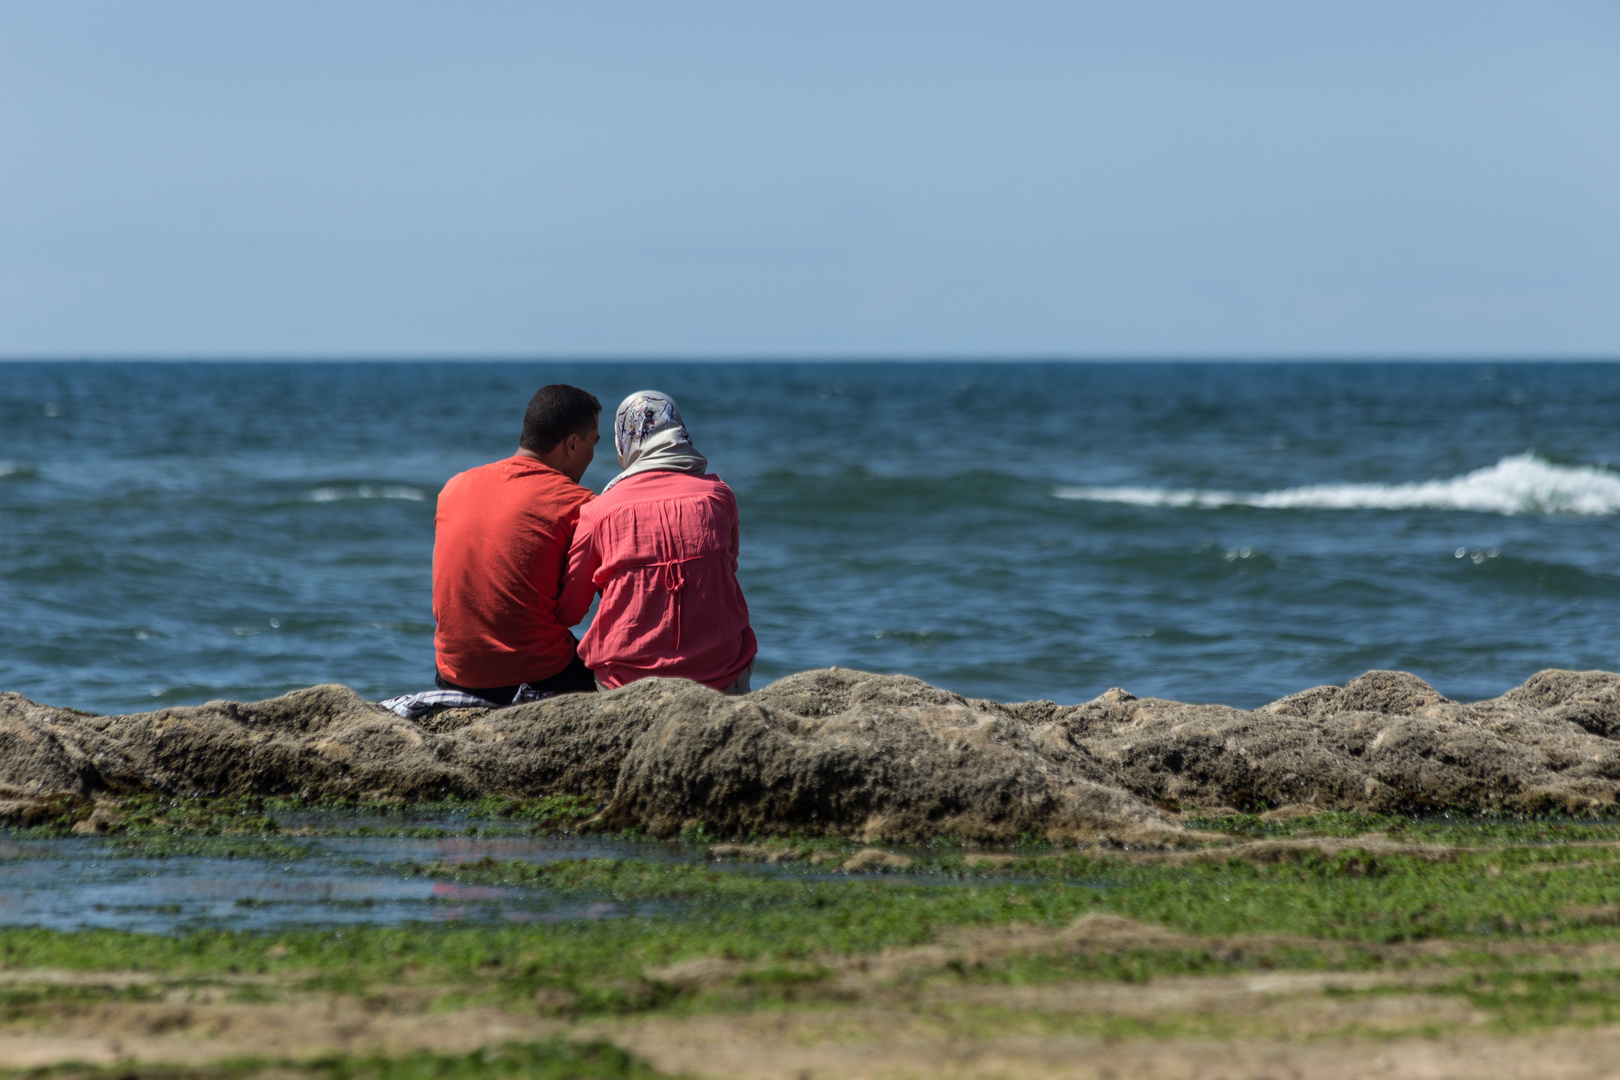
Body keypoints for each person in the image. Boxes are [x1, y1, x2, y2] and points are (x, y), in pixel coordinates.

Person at [558, 391, 757, 694]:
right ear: (678, 432)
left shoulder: (599, 511)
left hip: (626, 682)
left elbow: (570, 611)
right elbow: (728, 567)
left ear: (623, 442)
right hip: (720, 676)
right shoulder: (719, 496)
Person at [431, 384, 601, 702]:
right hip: (536, 675)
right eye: (594, 443)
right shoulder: (579, 503)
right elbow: (573, 613)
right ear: (573, 444)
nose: (593, 455)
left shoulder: (454, 486)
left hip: (454, 674)